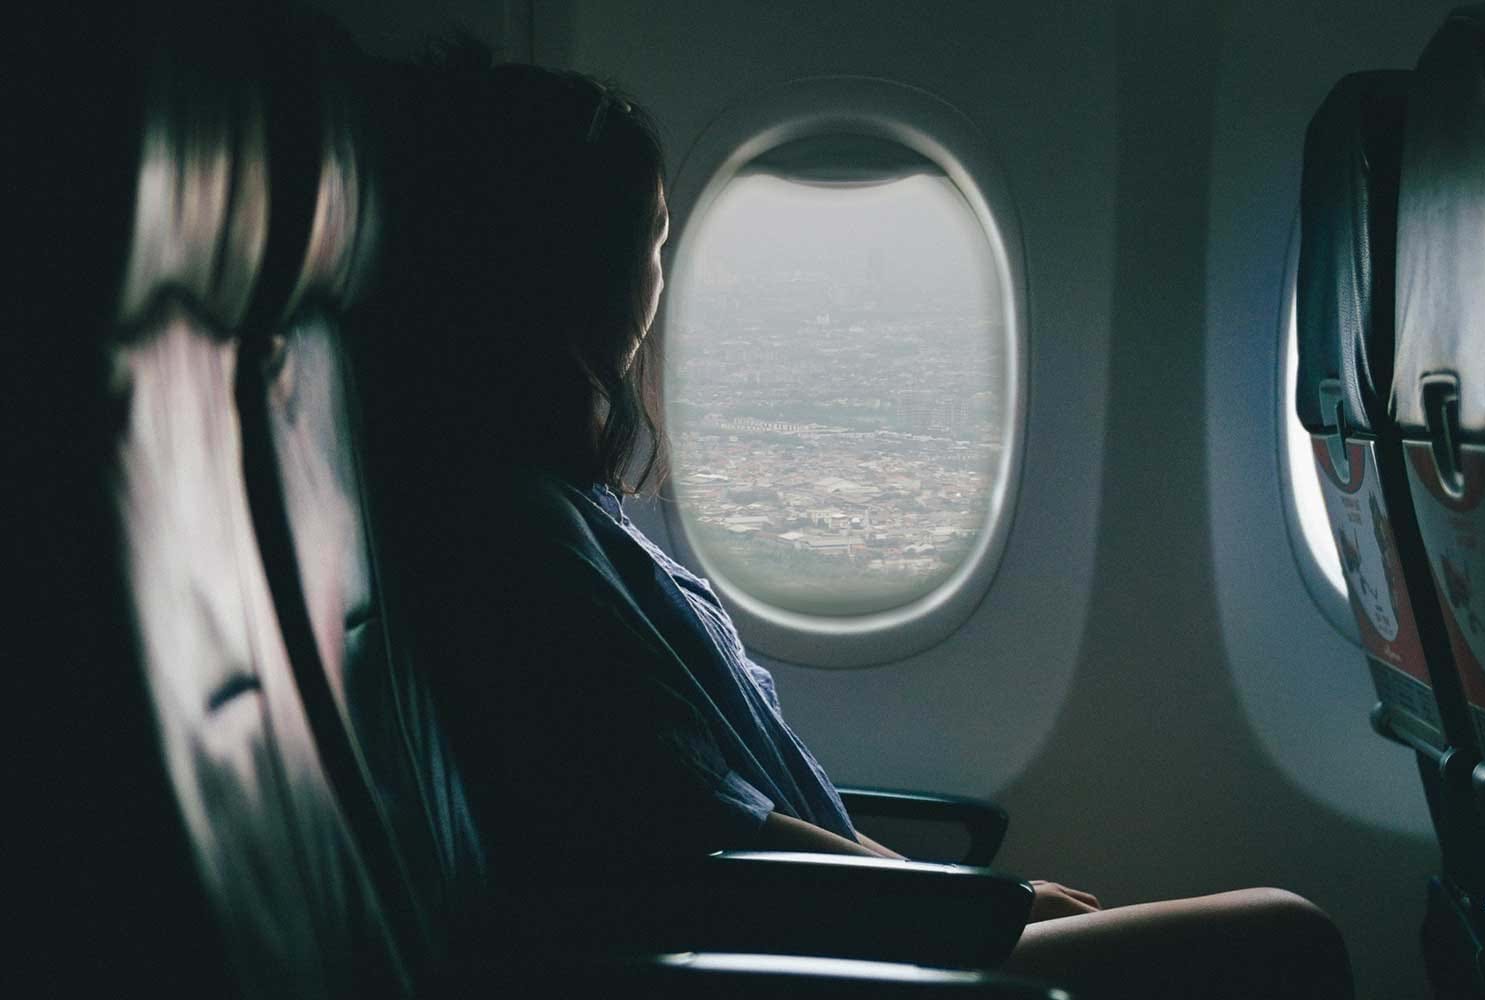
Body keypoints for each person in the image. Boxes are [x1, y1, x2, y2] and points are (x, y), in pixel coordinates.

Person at [379, 47, 1354, 1000]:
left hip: (829, 923)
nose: (661, 274)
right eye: (656, 238)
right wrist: (966, 903)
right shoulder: (519, 536)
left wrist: (952, 894)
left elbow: (742, 813)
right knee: (1285, 937)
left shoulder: (561, 505)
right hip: (781, 954)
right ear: (581, 261)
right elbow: (704, 834)